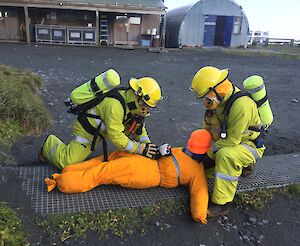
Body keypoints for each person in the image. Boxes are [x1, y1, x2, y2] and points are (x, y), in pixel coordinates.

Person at [44, 129, 212, 224]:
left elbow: (200, 192)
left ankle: (64, 181)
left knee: (104, 171)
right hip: (146, 161)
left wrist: (199, 214)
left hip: (147, 173)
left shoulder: (197, 169)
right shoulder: (184, 151)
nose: (188, 148)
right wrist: (161, 150)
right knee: (106, 159)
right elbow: (200, 192)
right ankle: (69, 170)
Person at [39, 69, 163, 169]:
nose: (147, 109)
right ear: (139, 97)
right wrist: (139, 148)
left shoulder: (133, 105)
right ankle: (49, 145)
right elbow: (116, 137)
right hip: (87, 131)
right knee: (66, 162)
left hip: (100, 131)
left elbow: (138, 129)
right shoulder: (115, 106)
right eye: (146, 105)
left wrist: (147, 144)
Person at [190, 66, 265, 217]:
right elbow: (208, 129)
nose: (205, 102)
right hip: (231, 143)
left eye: (206, 97)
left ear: (216, 90)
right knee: (204, 155)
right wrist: (196, 152)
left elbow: (231, 141)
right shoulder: (218, 103)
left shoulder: (241, 105)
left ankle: (222, 203)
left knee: (225, 155)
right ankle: (245, 166)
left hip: (248, 146)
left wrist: (209, 156)